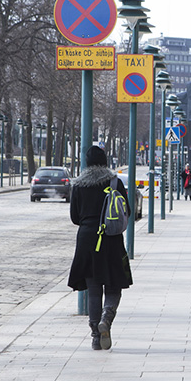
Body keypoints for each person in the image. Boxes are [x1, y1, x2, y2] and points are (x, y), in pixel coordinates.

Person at [68, 146, 133, 351]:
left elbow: (74, 217)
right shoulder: (115, 182)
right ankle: (107, 316)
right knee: (114, 287)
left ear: (86, 162)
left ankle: (96, 337)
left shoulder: (79, 185)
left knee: (94, 290)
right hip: (111, 239)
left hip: (87, 239)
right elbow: (127, 212)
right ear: (105, 161)